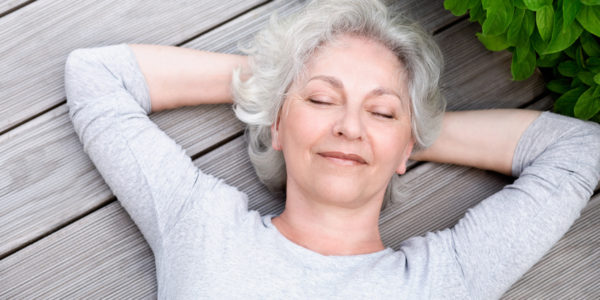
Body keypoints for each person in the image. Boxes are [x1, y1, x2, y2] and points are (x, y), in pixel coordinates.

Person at [64, 0, 600, 298]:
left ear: (405, 148)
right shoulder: (200, 228)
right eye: (322, 99)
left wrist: (409, 134)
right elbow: (96, 77)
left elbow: (579, 147)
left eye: (381, 110)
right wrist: (273, 82)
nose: (349, 126)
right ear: (277, 125)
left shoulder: (446, 279)